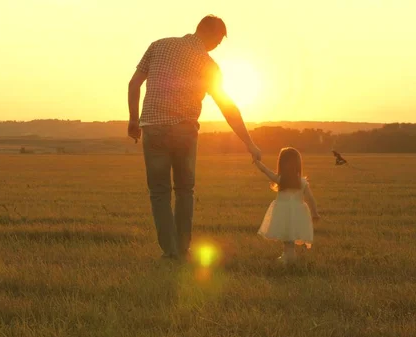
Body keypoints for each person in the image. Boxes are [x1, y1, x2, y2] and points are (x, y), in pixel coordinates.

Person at [127, 15, 262, 260]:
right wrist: (249, 143)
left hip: (153, 128)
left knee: (158, 192)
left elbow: (134, 83)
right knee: (184, 190)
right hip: (184, 131)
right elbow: (227, 107)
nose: (218, 46)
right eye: (219, 40)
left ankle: (169, 252)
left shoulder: (158, 45)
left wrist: (133, 120)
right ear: (210, 34)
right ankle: (182, 249)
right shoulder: (208, 64)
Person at [253, 147, 319, 264]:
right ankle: (289, 255)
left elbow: (265, 170)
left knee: (286, 235)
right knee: (291, 236)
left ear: (281, 164)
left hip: (282, 212)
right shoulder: (302, 182)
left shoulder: (280, 179)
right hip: (298, 213)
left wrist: (257, 161)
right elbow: (311, 198)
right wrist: (315, 213)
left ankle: (288, 257)